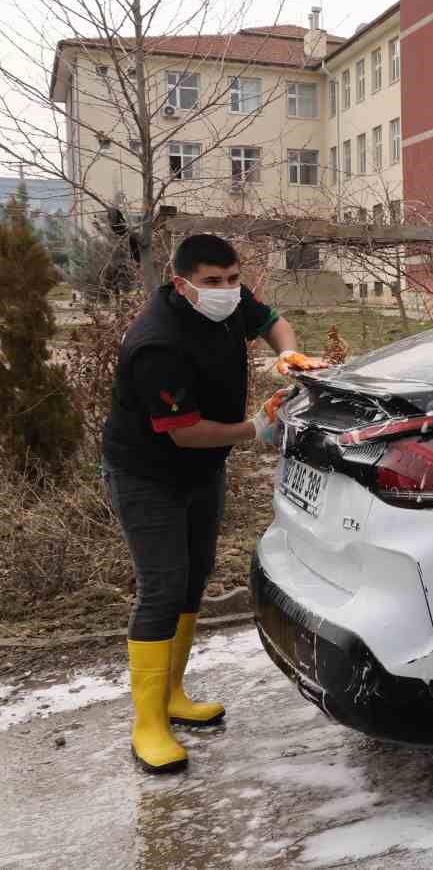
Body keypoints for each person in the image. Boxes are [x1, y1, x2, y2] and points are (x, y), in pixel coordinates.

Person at [103, 234, 329, 773]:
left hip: (203, 468)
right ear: (182, 285)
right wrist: (256, 428)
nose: (228, 290)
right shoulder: (156, 343)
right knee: (161, 588)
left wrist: (288, 353)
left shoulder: (227, 298)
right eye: (213, 282)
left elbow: (272, 319)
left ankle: (173, 695)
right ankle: (147, 724)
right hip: (147, 473)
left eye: (232, 279)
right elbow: (184, 433)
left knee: (194, 575)